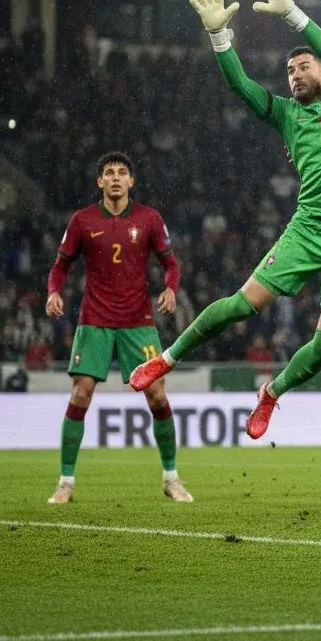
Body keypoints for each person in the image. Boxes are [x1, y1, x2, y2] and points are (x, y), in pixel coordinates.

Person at [129, 0, 321, 444]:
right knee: (239, 306)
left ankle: (272, 391)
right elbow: (242, 87)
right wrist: (218, 36)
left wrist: (292, 13)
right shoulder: (288, 115)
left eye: (304, 68)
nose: (297, 75)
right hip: (309, 230)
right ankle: (166, 359)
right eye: (291, 72)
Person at [45, 151, 191, 504]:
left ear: (131, 181)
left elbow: (171, 263)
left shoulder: (149, 218)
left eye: (121, 172)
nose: (114, 178)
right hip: (94, 320)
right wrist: (53, 292)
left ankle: (171, 477)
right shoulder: (82, 221)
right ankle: (65, 482)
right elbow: (60, 265)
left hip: (137, 321)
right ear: (99, 181)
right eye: (108, 173)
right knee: (80, 393)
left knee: (157, 394)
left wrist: (171, 288)